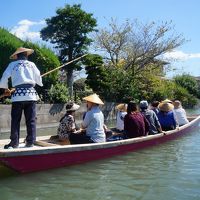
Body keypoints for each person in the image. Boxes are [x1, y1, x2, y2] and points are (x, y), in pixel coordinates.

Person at [0, 47, 43, 149]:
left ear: (17, 56)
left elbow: (4, 78)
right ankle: (30, 142)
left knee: (15, 120)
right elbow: (39, 79)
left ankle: (14, 143)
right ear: (26, 55)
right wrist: (37, 82)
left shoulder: (12, 65)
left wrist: (6, 89)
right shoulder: (32, 65)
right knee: (31, 120)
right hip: (31, 95)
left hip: (17, 96)